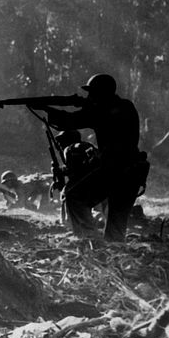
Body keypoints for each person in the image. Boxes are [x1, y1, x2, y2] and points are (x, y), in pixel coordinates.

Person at [41, 73, 149, 241]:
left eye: (93, 93)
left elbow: (70, 121)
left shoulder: (102, 110)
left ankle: (90, 241)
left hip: (114, 170)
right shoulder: (126, 106)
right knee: (116, 224)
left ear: (102, 93)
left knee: (74, 196)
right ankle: (112, 254)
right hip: (133, 171)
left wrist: (47, 110)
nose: (90, 96)